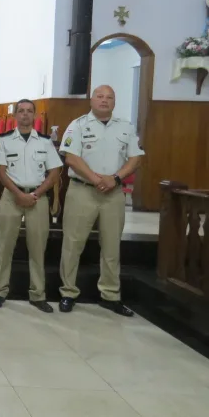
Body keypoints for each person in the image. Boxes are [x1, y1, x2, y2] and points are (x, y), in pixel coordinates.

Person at [58, 85, 144, 316]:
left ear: (114, 102)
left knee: (112, 245)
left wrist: (115, 179)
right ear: (91, 100)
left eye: (110, 97)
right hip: (83, 191)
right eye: (100, 96)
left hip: (113, 193)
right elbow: (71, 158)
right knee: (73, 243)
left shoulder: (125, 127)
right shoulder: (77, 125)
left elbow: (135, 158)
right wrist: (96, 179)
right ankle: (68, 292)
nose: (105, 100)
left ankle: (110, 295)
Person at [0, 99, 61, 313]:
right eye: (21, 111)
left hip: (37, 198)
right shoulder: (4, 140)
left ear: (35, 115)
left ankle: (38, 294)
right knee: (5, 246)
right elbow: (0, 172)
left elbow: (55, 172)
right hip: (12, 197)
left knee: (38, 248)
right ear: (15, 115)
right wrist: (19, 194)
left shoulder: (45, 142)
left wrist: (36, 193)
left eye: (29, 111)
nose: (25, 115)